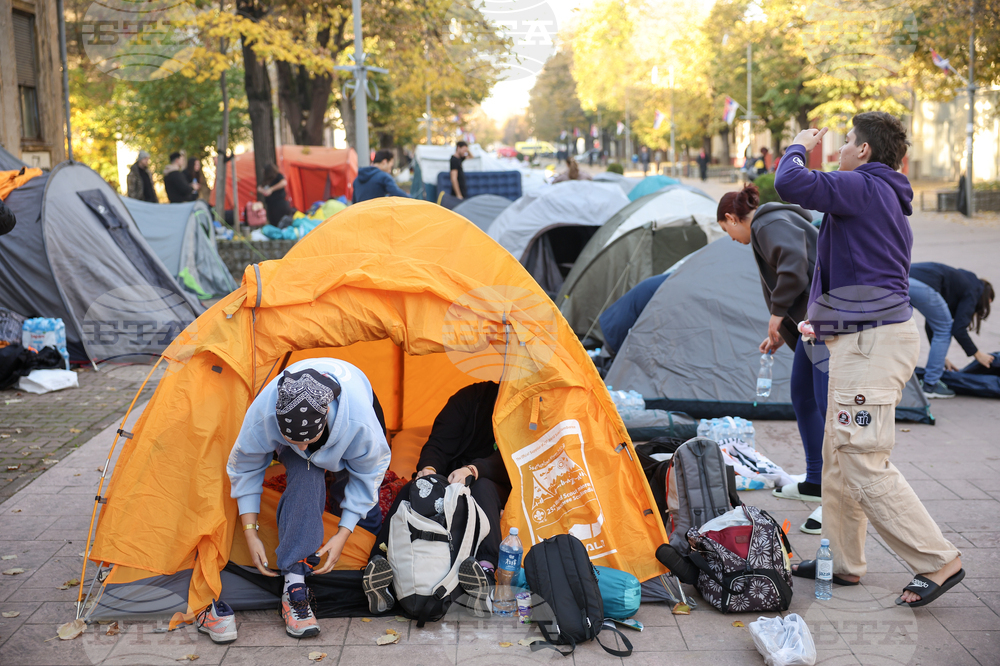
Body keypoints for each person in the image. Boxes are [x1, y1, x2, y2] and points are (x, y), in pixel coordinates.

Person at [775, 112, 964, 608]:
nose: (837, 150)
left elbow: (789, 181)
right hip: (860, 338)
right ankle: (842, 562)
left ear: (863, 151)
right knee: (838, 457)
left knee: (860, 457)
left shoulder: (862, 186)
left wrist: (797, 145)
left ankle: (937, 559)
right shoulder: (878, 193)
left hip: (872, 343)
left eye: (844, 144)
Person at [206, 360, 391, 642]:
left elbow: (368, 476)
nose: (303, 449)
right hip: (295, 417)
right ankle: (293, 584)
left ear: (327, 415)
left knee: (356, 502)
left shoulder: (361, 425)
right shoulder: (264, 414)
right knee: (306, 473)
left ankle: (369, 569)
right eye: (292, 440)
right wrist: (250, 532)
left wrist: (344, 532)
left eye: (308, 440)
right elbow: (245, 468)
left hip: (356, 402)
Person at [716, 183, 825, 531]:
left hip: (826, 323)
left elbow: (793, 267)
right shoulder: (770, 224)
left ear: (733, 218)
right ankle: (815, 480)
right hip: (809, 327)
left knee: (827, 406)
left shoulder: (767, 224)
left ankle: (837, 499)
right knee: (803, 396)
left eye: (726, 230)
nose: (731, 238)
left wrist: (777, 315)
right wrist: (783, 333)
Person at [363, 381, 505, 617]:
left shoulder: (528, 408)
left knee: (483, 488)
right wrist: (428, 469)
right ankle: (379, 565)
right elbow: (439, 443)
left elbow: (514, 458)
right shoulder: (471, 398)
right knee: (412, 488)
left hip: (495, 480)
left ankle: (485, 574)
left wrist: (474, 470)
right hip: (451, 477)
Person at [909, 262, 994, 398]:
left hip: (898, 279)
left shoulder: (962, 281)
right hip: (921, 285)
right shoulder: (974, 291)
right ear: (986, 297)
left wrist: (942, 358)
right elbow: (958, 329)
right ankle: (930, 385)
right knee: (945, 328)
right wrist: (978, 354)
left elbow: (931, 325)